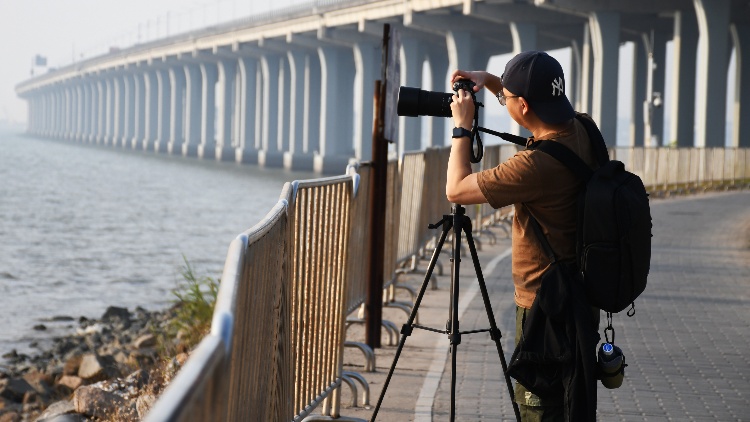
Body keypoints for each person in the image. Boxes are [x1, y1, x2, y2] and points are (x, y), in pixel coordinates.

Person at [447, 51, 600, 421]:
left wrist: (462, 128)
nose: (505, 101)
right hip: (579, 294)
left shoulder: (534, 167)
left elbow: (456, 189)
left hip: (543, 308)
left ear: (525, 105)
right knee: (569, 403)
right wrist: (492, 81)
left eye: (508, 98)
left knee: (540, 410)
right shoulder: (582, 128)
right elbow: (532, 104)